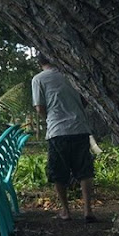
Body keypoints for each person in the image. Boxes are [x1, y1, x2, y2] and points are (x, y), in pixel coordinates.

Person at [31, 53, 96, 222]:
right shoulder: (71, 75)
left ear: (40, 63)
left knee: (58, 172)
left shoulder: (38, 79)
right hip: (80, 129)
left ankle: (66, 211)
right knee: (84, 171)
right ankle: (88, 210)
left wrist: (50, 118)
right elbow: (85, 99)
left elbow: (39, 108)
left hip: (57, 132)